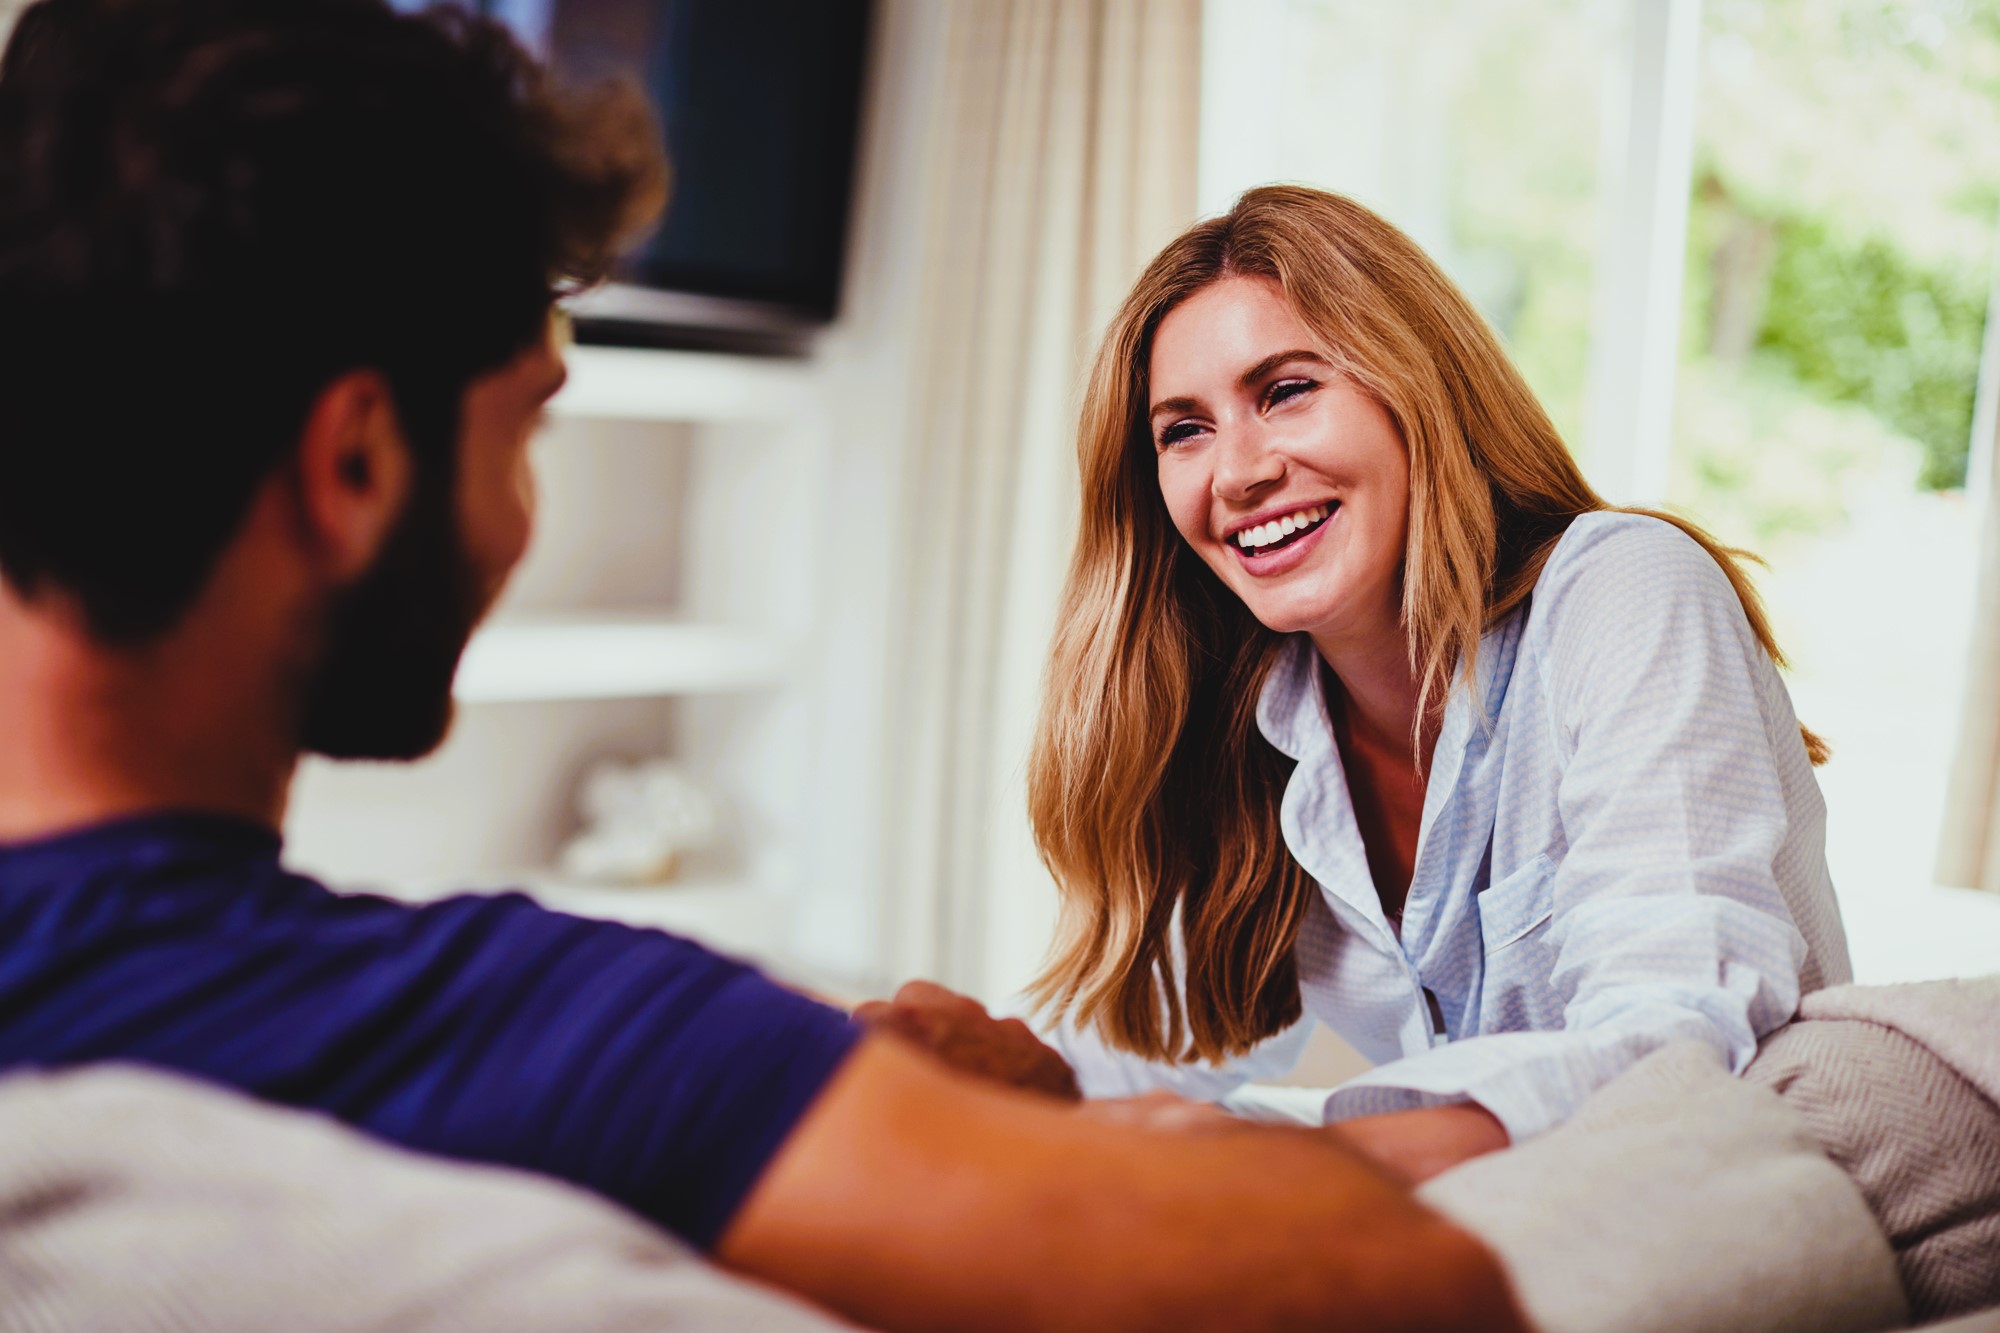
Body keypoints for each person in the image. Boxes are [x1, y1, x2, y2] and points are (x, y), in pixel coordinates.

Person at [0, 3, 1525, 1329]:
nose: (520, 524)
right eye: (528, 429)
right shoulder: (552, 1037)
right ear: (353, 466)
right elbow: (1411, 1289)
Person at [869, 185, 1853, 1184]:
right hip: (1523, 1216)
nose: (1236, 472)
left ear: (1414, 386)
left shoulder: (1621, 587)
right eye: (1183, 430)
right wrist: (994, 1080)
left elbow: (1677, 1044)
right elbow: (1147, 1061)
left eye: (1285, 390)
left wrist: (1271, 1164)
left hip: (1754, 1197)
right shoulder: (1253, 715)